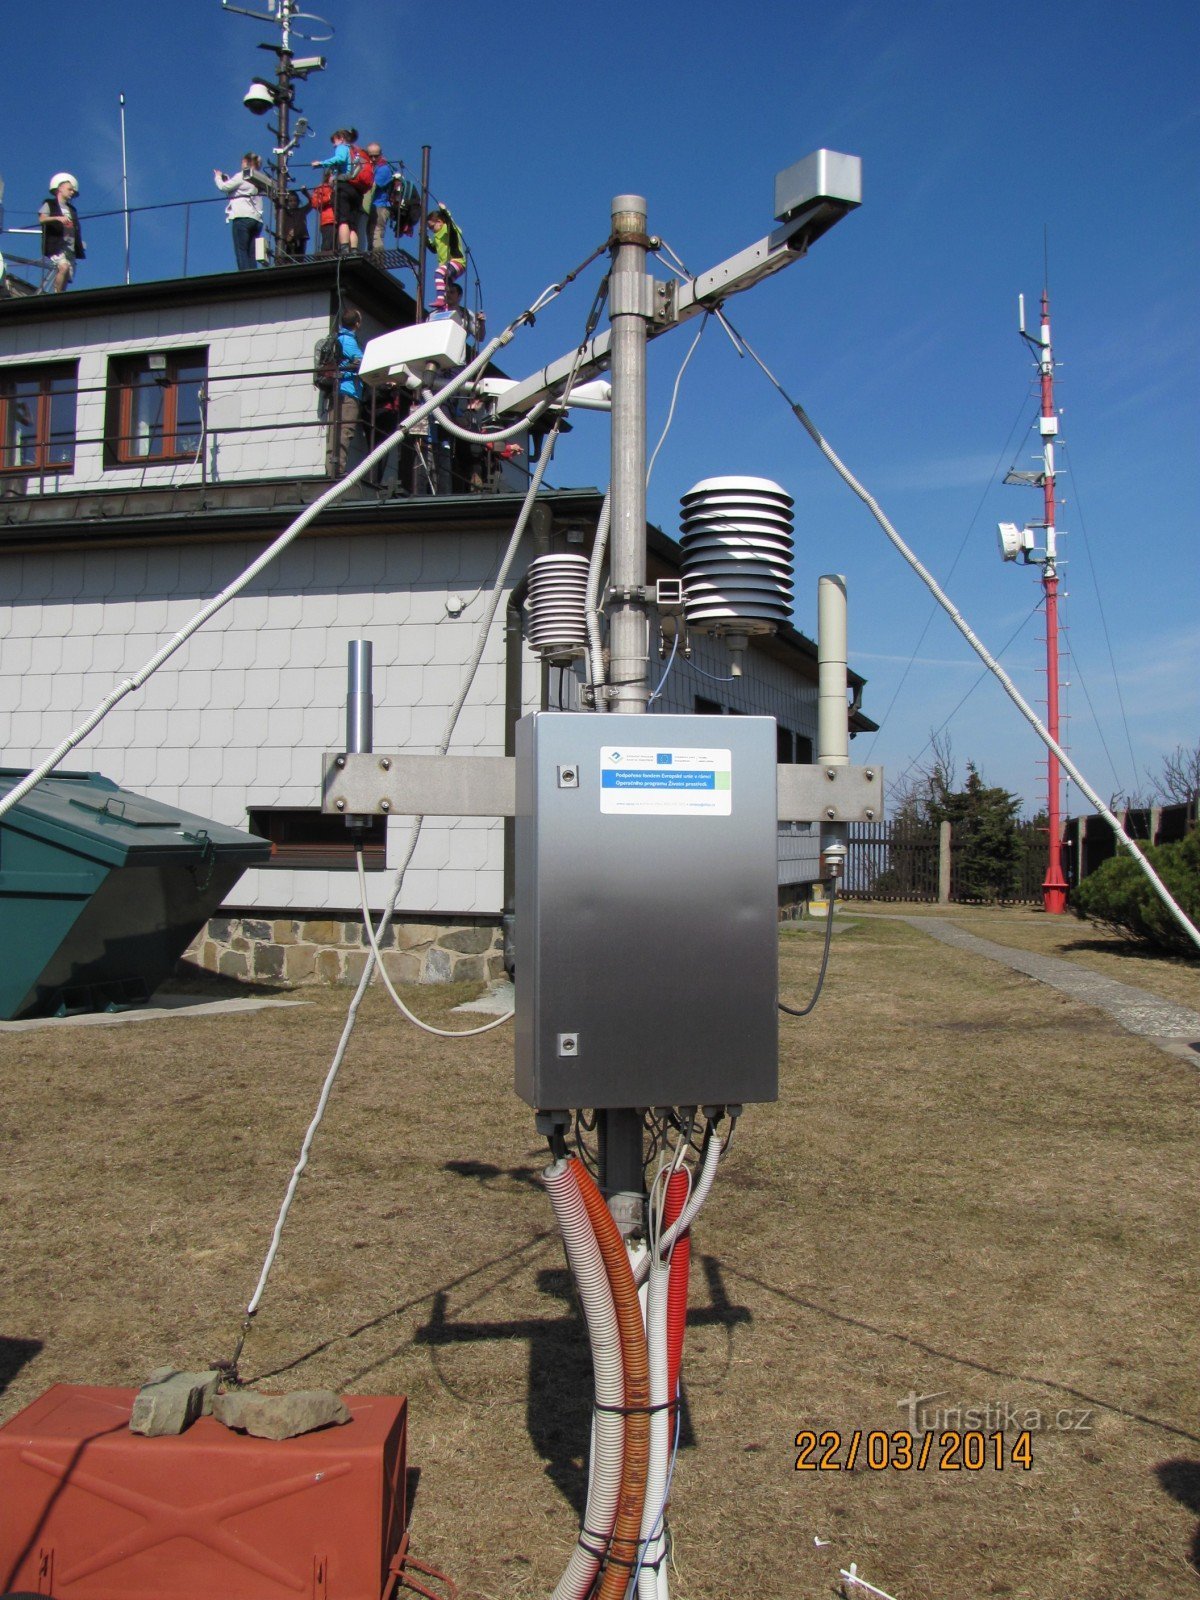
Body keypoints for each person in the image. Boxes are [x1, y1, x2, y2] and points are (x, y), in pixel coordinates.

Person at [214, 153, 270, 270]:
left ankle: (244, 275)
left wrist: (218, 177)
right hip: (257, 220)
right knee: (251, 252)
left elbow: (224, 187)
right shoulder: (259, 179)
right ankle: (253, 274)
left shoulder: (241, 176)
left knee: (241, 250)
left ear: (245, 162)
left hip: (242, 217)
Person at [329, 307, 364, 477]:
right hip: (348, 393)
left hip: (337, 391)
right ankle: (338, 470)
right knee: (345, 431)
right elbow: (363, 362)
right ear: (357, 323)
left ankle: (332, 470)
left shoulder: (338, 338)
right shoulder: (349, 340)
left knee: (334, 432)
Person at [311, 130, 357, 253]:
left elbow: (340, 159)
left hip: (343, 185)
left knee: (343, 220)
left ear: (341, 138)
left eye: (334, 141)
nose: (334, 145)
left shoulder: (342, 148)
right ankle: (354, 250)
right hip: (354, 188)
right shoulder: (353, 151)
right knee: (352, 225)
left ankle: (345, 249)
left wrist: (321, 164)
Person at [39, 173, 85, 293]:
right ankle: (57, 296)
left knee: (66, 276)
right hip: (57, 247)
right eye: (69, 189)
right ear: (60, 188)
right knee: (63, 268)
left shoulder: (72, 210)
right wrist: (58, 218)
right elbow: (42, 219)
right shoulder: (50, 204)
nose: (71, 193)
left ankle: (60, 297)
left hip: (70, 249)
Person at [426, 204, 465, 310]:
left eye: (432, 227)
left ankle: (441, 300)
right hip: (448, 265)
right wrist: (424, 238)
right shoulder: (436, 236)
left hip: (457, 261)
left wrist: (444, 211)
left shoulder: (447, 229)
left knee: (438, 273)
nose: (432, 230)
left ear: (439, 222)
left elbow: (452, 226)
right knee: (446, 285)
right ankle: (446, 308)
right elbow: (433, 248)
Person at [365, 143, 393, 257]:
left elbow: (372, 186)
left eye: (375, 156)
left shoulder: (384, 169)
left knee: (376, 234)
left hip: (380, 207)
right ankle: (373, 258)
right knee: (370, 234)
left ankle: (378, 261)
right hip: (373, 206)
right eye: (370, 156)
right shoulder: (374, 168)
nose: (373, 159)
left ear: (380, 155)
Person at [309, 181, 335, 254]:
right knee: (327, 246)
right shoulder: (322, 188)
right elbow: (315, 203)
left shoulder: (339, 187)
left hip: (339, 221)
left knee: (336, 246)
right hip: (328, 221)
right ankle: (325, 260)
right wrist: (329, 197)